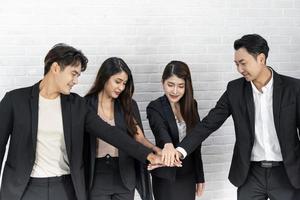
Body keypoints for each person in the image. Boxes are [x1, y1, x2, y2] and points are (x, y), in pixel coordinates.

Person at [0, 44, 162, 200]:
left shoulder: (77, 105)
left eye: (78, 75)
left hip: (65, 188)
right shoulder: (14, 100)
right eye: (74, 73)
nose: (76, 81)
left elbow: (110, 133)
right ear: (56, 68)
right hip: (23, 189)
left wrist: (148, 155)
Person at [171, 34, 300, 200]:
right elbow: (209, 123)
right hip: (250, 174)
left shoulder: (294, 88)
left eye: (243, 63)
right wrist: (180, 151)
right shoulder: (235, 90)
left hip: (287, 173)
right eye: (236, 64)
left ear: (261, 59)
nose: (239, 69)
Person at [84, 57, 160, 200]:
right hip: (97, 176)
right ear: (105, 77)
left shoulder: (128, 105)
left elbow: (139, 138)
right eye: (117, 82)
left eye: (124, 83)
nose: (121, 88)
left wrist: (157, 151)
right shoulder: (85, 104)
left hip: (125, 173)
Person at [147, 61, 205, 200]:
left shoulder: (191, 105)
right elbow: (160, 130)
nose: (174, 91)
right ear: (163, 83)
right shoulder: (154, 107)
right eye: (170, 85)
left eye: (180, 86)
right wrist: (167, 144)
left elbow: (196, 142)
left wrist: (199, 176)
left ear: (187, 86)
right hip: (166, 175)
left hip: (188, 174)